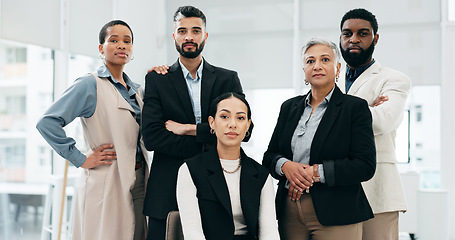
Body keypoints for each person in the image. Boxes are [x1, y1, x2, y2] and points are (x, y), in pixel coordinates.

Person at [36, 20, 148, 240]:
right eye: (113, 40)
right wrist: (80, 158)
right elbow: (47, 122)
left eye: (127, 41)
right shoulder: (90, 84)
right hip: (106, 179)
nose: (121, 46)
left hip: (140, 179)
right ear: (101, 48)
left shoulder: (137, 91)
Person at [141, 6, 245, 239]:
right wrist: (209, 142)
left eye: (196, 31)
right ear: (174, 36)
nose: (189, 36)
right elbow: (152, 137)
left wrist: (189, 129)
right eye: (182, 31)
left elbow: (243, 131)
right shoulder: (157, 79)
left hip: (217, 188)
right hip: (166, 190)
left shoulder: (228, 79)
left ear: (205, 36)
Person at [262, 38, 376, 240]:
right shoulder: (289, 107)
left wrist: (314, 173)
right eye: (310, 61)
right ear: (304, 69)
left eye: (325, 60)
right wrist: (286, 166)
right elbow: (270, 156)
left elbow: (364, 165)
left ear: (337, 67)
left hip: (337, 212)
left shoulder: (354, 108)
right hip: (289, 210)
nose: (317, 66)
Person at [338, 8, 411, 240]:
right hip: (337, 191)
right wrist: (367, 107)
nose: (354, 39)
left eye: (363, 33)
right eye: (347, 33)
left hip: (378, 191)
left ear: (375, 38)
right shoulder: (329, 80)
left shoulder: (394, 79)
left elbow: (382, 122)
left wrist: (335, 112)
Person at [176, 92, 280, 240]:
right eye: (224, 116)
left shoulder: (262, 175)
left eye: (240, 118)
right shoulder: (190, 170)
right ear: (212, 122)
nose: (232, 124)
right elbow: (192, 231)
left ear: (248, 126)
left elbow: (269, 232)